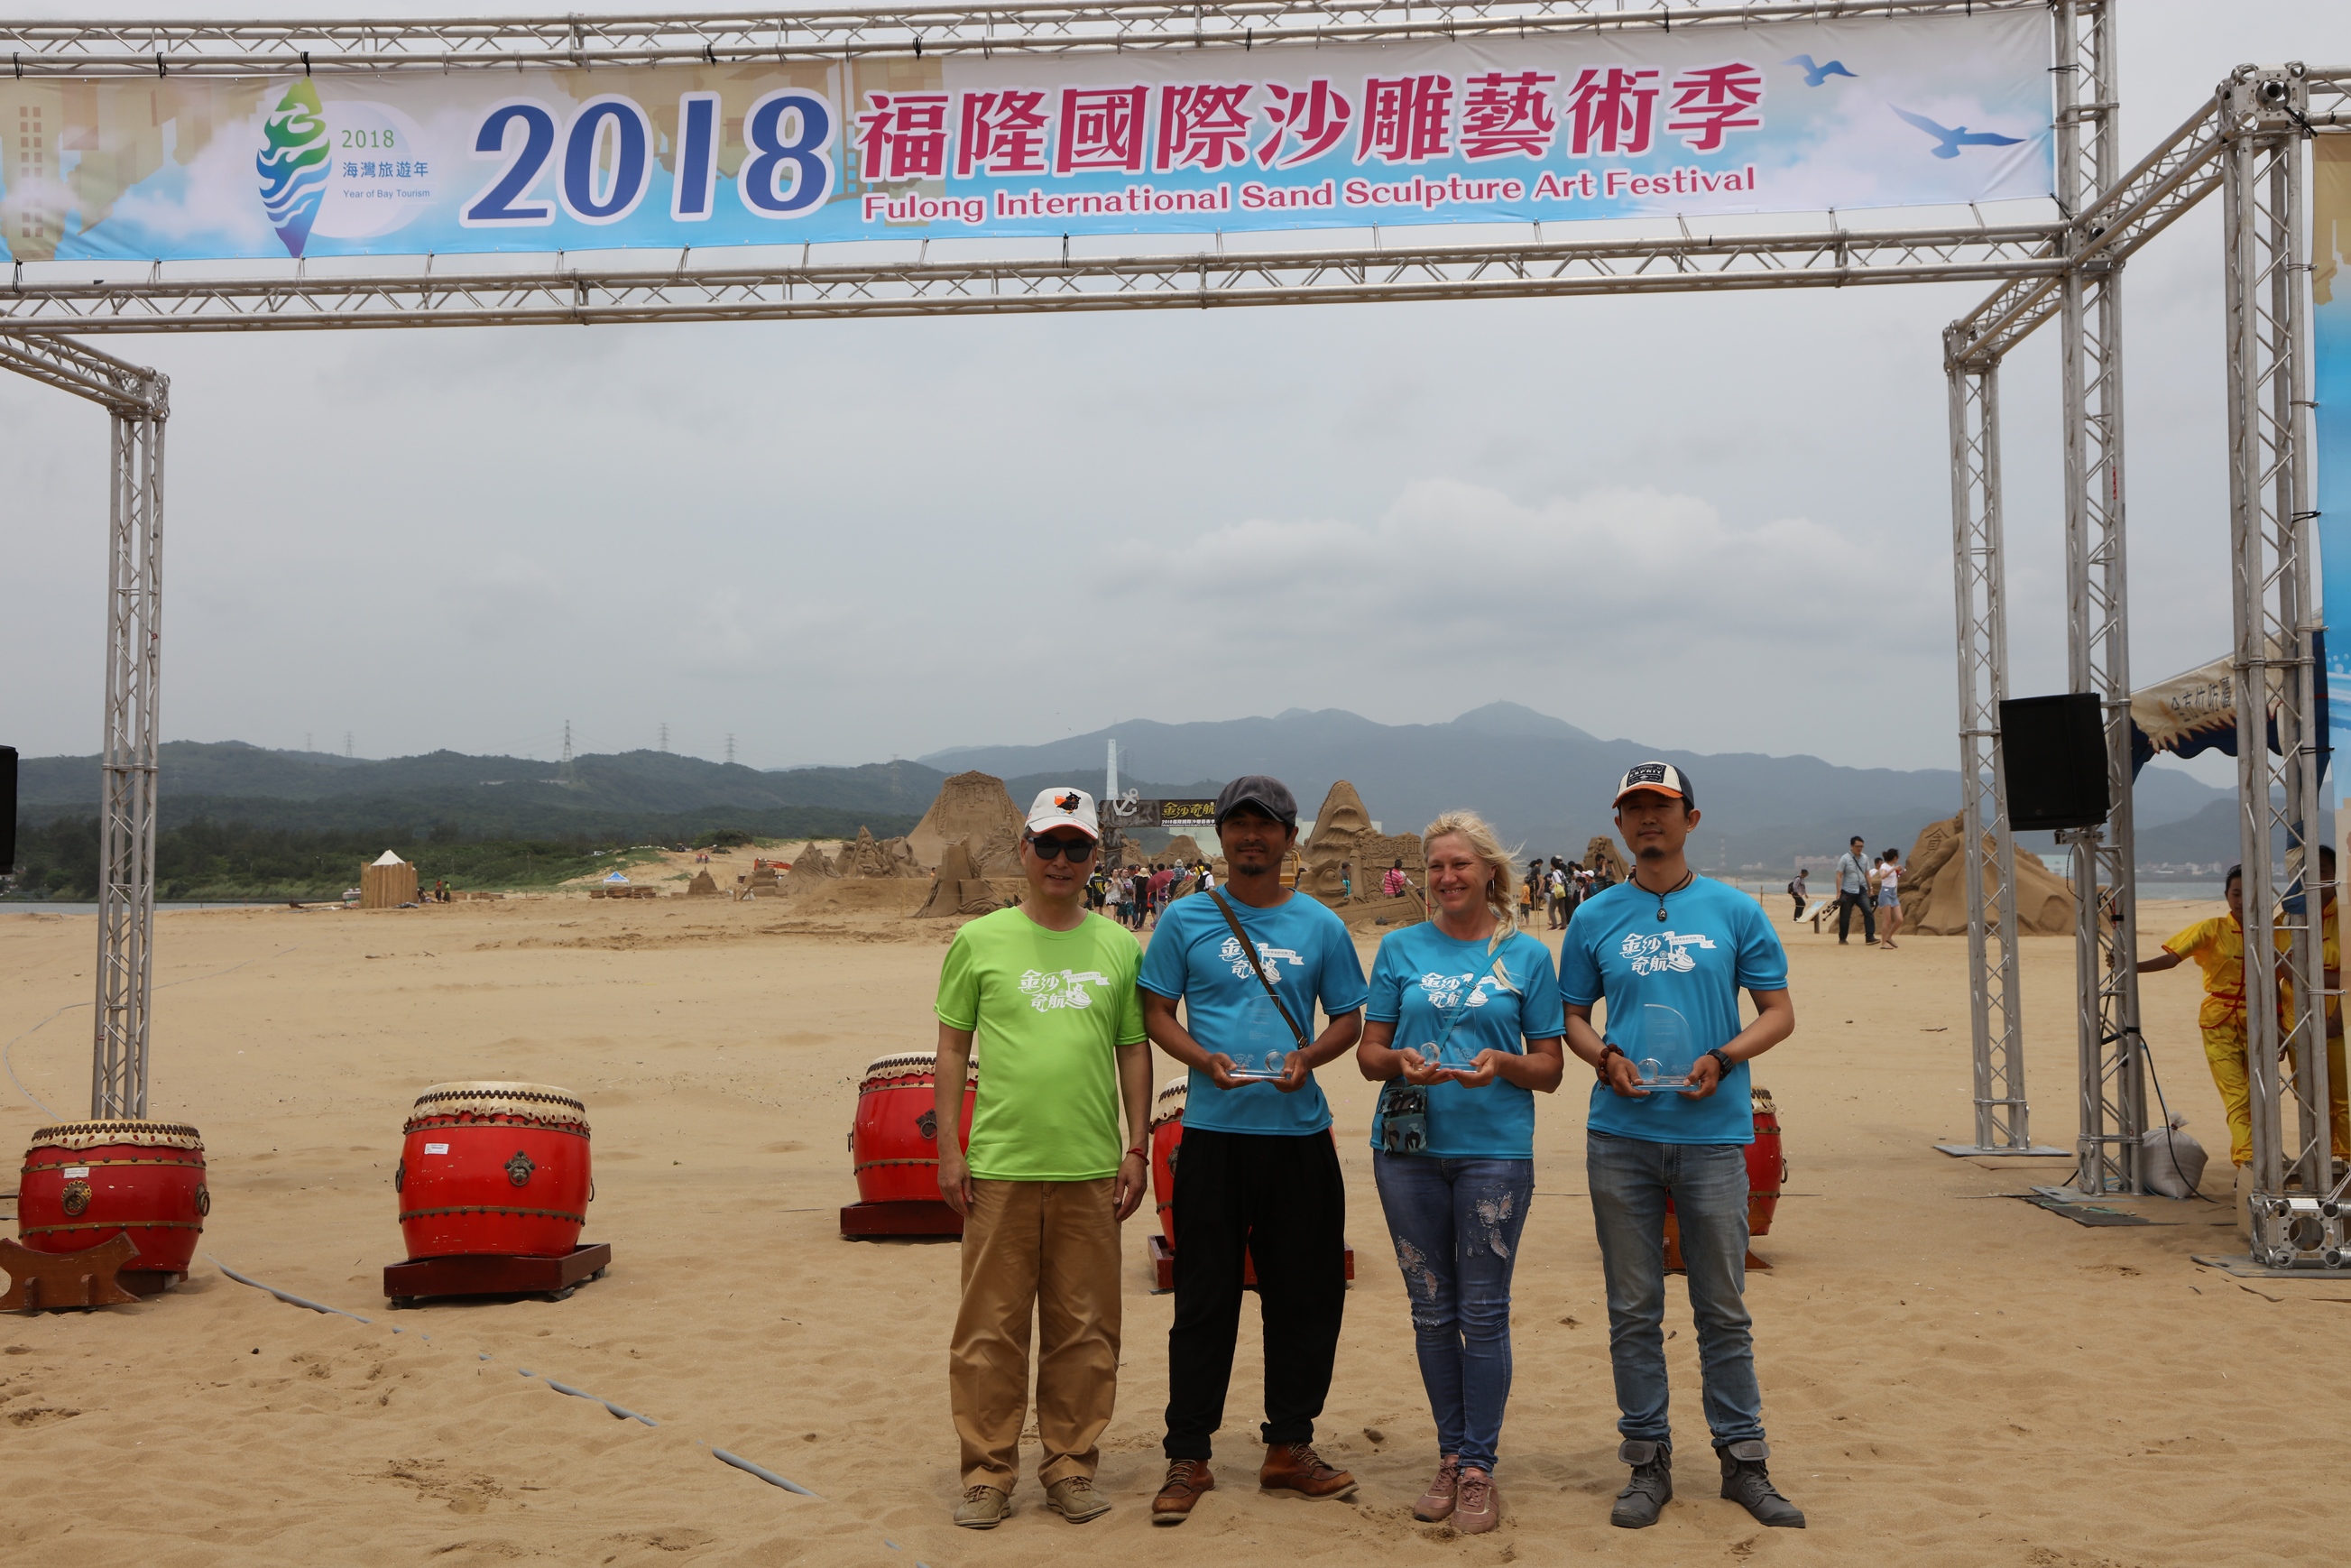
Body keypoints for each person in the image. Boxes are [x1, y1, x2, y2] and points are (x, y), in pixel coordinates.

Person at [1559, 762, 1803, 1531]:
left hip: (1712, 1138)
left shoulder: (1732, 911)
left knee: (1723, 1309)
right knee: (1632, 1309)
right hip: (1621, 1139)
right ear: (1622, 825)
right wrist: (1603, 1058)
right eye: (1634, 809)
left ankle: (1744, 1462)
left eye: (1661, 807)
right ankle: (1646, 1462)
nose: (1647, 820)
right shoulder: (1595, 917)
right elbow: (1571, 1016)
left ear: (1691, 819)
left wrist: (1726, 1057)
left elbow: (1779, 1011)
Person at [1139, 776, 1369, 1524]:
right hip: (1210, 1136)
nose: (1251, 837)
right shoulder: (1185, 919)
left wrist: (1311, 1057)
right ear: (1221, 837)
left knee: (1304, 1298)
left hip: (1297, 1135)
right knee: (1203, 1301)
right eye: (1237, 824)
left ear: (1288, 839)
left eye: (1265, 825)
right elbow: (1156, 1011)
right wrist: (1201, 1060)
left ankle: (1288, 1447)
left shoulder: (1320, 926)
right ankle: (1189, 1455)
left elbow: (1348, 1020)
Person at [933, 787, 1154, 1529]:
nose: (1062, 861)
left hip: (1091, 1167)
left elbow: (1133, 1049)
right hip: (999, 1165)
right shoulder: (980, 941)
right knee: (990, 1328)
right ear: (1024, 850)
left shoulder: (1119, 946)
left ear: (1096, 857)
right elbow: (954, 1046)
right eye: (1050, 845)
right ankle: (988, 1472)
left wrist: (1137, 1145)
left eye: (1078, 848)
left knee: (1085, 1328)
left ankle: (1069, 1465)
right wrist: (948, 1148)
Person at [1355, 811, 1565, 1535]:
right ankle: (1449, 1454)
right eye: (1435, 867)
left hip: (1495, 1152)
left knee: (1483, 1311)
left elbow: (1550, 1069)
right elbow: (1368, 1053)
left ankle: (1479, 1465)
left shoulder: (1528, 957)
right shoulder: (1399, 949)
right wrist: (1400, 1061)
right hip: (1407, 1152)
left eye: (1460, 866)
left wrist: (1502, 1065)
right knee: (1431, 1310)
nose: (1446, 878)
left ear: (1489, 873)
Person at [2136, 866, 2253, 1224]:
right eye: (2236, 893)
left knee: (2260, 1096)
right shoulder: (2211, 929)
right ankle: (2249, 1164)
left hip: (2265, 1021)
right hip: (2219, 1020)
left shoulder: (2277, 929)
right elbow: (2174, 957)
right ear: (2226, 896)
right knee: (2238, 1095)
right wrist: (2133, 965)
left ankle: (2254, 1161)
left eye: (2250, 893)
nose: (2242, 899)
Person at [1832, 836, 1876, 946]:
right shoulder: (1845, 858)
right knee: (1845, 916)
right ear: (1851, 846)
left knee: (1868, 911)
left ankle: (1870, 937)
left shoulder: (1865, 858)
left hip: (1861, 889)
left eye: (1861, 846)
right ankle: (1842, 938)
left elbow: (1867, 874)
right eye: (1857, 846)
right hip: (1848, 890)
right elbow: (1839, 875)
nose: (1860, 848)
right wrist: (1838, 892)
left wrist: (1871, 888)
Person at [1872, 850, 1904, 950]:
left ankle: (1889, 936)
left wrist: (1900, 872)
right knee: (1887, 920)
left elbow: (1895, 878)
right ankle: (1883, 943)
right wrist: (1894, 869)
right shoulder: (1884, 866)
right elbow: (1883, 876)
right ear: (1894, 857)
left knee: (1899, 919)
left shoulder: (1892, 867)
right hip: (1885, 893)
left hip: (1893, 893)